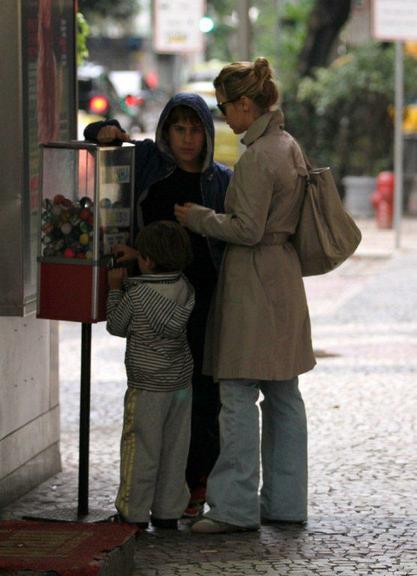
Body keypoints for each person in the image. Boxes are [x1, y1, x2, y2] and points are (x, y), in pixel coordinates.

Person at [174, 58, 316, 534]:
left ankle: (234, 507)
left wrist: (197, 216)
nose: (223, 117)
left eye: (224, 106)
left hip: (253, 280)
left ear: (245, 104)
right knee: (283, 395)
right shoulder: (288, 145)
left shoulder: (258, 155)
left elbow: (247, 229)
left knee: (235, 393)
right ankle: (287, 502)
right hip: (283, 277)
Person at [84, 94, 232, 515]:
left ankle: (193, 484)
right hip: (152, 294)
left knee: (203, 391)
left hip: (204, 297)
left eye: (196, 129)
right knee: (153, 393)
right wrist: (107, 131)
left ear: (207, 132)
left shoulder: (220, 180)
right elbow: (94, 135)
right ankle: (153, 493)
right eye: (179, 129)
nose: (188, 139)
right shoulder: (149, 161)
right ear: (166, 130)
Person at [106, 220, 195, 529]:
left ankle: (133, 513)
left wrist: (115, 290)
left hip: (146, 385)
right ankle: (168, 511)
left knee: (141, 446)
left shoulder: (137, 294)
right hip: (180, 382)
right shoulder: (185, 286)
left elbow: (116, 326)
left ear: (146, 260)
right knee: (174, 447)